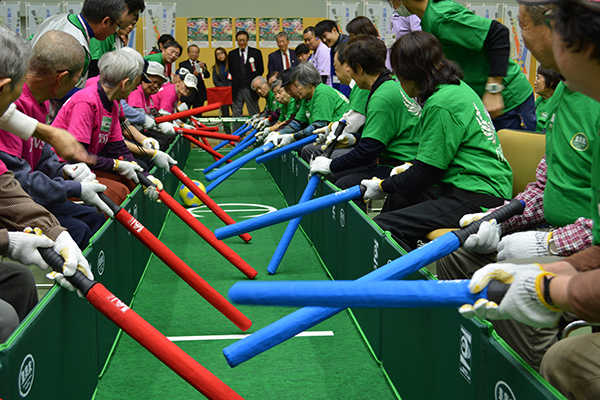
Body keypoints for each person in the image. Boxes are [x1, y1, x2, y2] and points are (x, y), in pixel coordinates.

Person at [438, 2, 600, 372]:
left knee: (558, 353)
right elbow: (544, 184)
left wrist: (547, 260)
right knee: (456, 255)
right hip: (564, 237)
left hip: (571, 238)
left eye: (522, 27)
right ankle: (470, 361)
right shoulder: (563, 95)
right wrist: (496, 221)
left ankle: (526, 374)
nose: (519, 39)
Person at [361, 31, 513, 251]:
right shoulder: (457, 88)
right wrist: (402, 176)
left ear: (409, 74)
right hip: (470, 185)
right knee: (398, 199)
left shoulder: (441, 103)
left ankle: (407, 282)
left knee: (386, 225)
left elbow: (425, 174)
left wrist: (383, 185)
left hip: (478, 196)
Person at [0, 31, 108, 249]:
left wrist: (66, 172)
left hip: (28, 195)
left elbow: (42, 156)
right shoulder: (18, 101)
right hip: (15, 201)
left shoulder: (34, 106)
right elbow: (14, 185)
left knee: (91, 218)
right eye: (22, 81)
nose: (26, 85)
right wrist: (73, 189)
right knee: (76, 231)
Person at [309, 35, 420, 212]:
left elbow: (368, 152)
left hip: (400, 166)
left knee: (343, 183)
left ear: (359, 68)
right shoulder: (388, 86)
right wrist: (353, 139)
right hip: (399, 159)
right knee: (339, 178)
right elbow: (381, 136)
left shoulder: (381, 97)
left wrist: (329, 164)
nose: (349, 74)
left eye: (350, 68)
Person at [392, 0, 536, 132]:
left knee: (515, 157)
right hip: (484, 103)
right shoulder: (428, 19)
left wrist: (493, 90)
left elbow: (498, 33)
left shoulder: (441, 16)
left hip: (508, 100)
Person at [51, 49, 168, 205]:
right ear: (124, 83)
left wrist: (146, 176)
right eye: (136, 83)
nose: (136, 88)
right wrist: (116, 165)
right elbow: (78, 156)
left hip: (86, 166)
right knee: (120, 192)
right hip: (64, 170)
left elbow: (118, 148)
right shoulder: (86, 101)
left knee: (133, 182)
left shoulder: (112, 103)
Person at [31, 0, 140, 90]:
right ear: (106, 22)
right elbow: (64, 91)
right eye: (116, 27)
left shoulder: (55, 19)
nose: (113, 32)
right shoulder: (79, 47)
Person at [302, 40, 370, 163]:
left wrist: (329, 130)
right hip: (357, 139)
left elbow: (351, 126)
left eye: (335, 66)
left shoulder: (362, 87)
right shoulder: (356, 87)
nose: (335, 73)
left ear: (348, 66)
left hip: (367, 147)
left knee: (316, 153)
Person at [265, 62, 349, 148]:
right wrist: (278, 133)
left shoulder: (322, 93)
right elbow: (297, 123)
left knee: (306, 149)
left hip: (344, 137)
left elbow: (319, 126)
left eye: (297, 86)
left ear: (308, 82)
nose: (296, 90)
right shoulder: (306, 98)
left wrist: (293, 137)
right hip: (330, 136)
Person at [87, 0, 145, 78]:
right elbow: (94, 68)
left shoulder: (114, 36)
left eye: (133, 24)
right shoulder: (103, 33)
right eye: (133, 15)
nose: (130, 25)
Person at [228, 30, 264, 124]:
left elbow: (260, 70)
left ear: (247, 40)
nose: (242, 42)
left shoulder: (256, 53)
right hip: (237, 89)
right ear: (237, 41)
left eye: (244, 40)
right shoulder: (232, 54)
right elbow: (231, 70)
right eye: (239, 40)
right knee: (236, 114)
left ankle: (256, 135)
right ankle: (237, 137)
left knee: (254, 113)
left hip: (251, 88)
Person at [315, 20, 351, 97]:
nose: (324, 40)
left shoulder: (346, 45)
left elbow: (346, 74)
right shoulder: (333, 46)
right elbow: (334, 72)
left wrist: (343, 97)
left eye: (325, 36)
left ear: (334, 30)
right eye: (321, 38)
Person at [178, 44, 210, 109]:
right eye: (192, 52)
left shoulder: (201, 64)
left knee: (198, 115)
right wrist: (192, 75)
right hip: (187, 93)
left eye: (196, 52)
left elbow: (207, 76)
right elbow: (181, 77)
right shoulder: (183, 64)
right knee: (184, 115)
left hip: (199, 94)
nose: (194, 54)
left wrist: (204, 69)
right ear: (188, 53)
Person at [212, 47, 232, 134]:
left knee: (236, 113)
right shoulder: (215, 67)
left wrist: (230, 86)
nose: (220, 56)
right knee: (225, 115)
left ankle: (239, 133)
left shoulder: (232, 65)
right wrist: (225, 87)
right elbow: (215, 81)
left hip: (233, 92)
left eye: (221, 53)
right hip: (223, 94)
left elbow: (236, 77)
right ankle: (228, 134)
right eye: (218, 54)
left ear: (225, 53)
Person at [534, 66, 561, 133]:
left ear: (550, 82)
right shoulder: (540, 100)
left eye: (538, 78)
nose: (535, 82)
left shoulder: (557, 102)